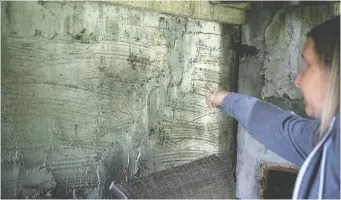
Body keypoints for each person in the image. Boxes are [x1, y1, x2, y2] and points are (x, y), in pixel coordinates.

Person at [205, 16, 340, 199]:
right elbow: (282, 129)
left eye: (308, 64)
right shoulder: (327, 138)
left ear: (334, 71)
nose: (297, 80)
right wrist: (227, 99)